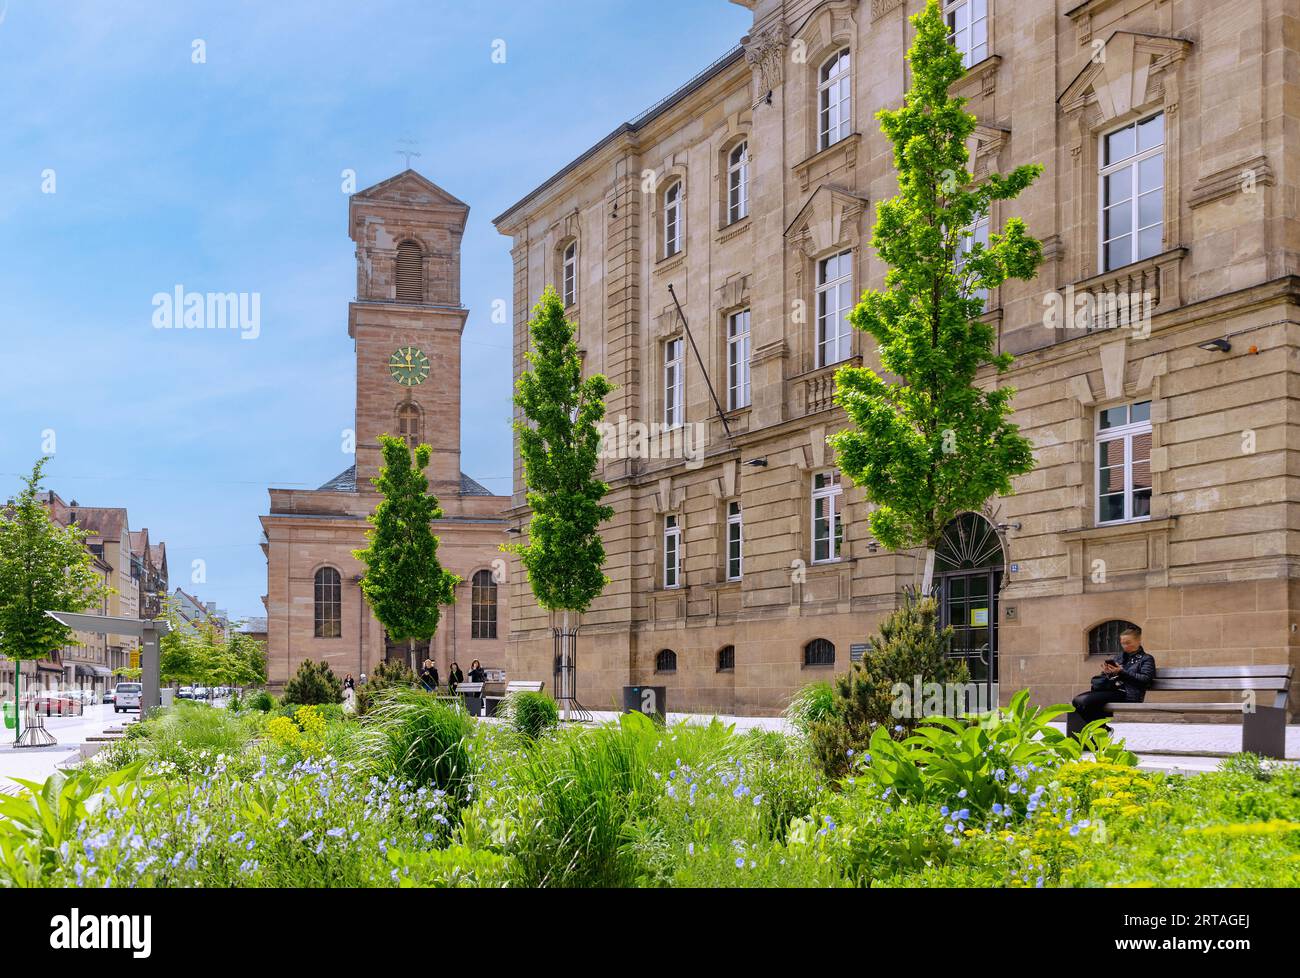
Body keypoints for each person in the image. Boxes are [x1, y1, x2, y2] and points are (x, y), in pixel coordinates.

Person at [1070, 625, 1155, 734]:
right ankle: (1102, 730)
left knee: (1086, 702)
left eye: (1128, 642)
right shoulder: (1119, 657)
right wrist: (1107, 672)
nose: (1125, 646)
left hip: (1129, 694)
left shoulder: (1146, 659)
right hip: (1112, 690)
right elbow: (1110, 677)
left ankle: (1102, 732)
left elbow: (1145, 680)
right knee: (1077, 701)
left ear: (1139, 641)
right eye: (1122, 643)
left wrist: (1121, 672)